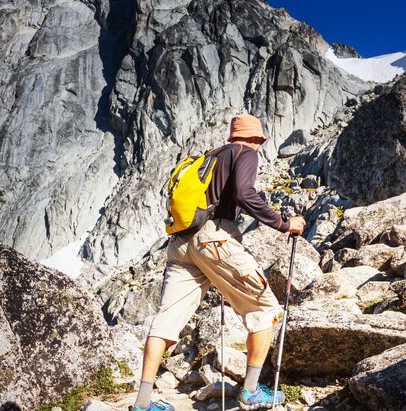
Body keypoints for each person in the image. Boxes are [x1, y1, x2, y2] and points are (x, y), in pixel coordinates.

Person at [130, 114, 306, 411]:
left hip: (180, 244)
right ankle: (250, 392)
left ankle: (143, 403)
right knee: (264, 308)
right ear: (257, 138)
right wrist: (283, 223)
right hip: (214, 240)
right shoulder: (245, 153)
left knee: (165, 321)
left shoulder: (211, 156)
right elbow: (244, 192)